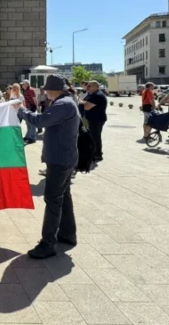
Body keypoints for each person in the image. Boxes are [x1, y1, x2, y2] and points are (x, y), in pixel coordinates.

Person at [14, 75, 80, 259]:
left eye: (46, 89)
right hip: (63, 158)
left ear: (52, 90)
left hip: (60, 160)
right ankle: (67, 235)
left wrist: (21, 109)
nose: (44, 92)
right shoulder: (65, 102)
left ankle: (48, 244)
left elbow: (40, 121)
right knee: (63, 198)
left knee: (53, 201)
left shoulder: (63, 104)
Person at [80, 81, 107, 162]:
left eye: (89, 86)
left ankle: (98, 155)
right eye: (87, 86)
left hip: (96, 119)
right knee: (93, 137)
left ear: (96, 86)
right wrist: (84, 102)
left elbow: (86, 107)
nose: (87, 88)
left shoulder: (97, 95)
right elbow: (84, 101)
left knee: (95, 138)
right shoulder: (92, 94)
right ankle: (94, 153)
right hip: (92, 119)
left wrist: (82, 102)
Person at [21, 80, 38, 144]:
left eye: (23, 84)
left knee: (32, 124)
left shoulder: (31, 90)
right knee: (28, 123)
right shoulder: (24, 91)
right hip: (26, 108)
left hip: (31, 108)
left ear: (27, 84)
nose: (22, 85)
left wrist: (37, 108)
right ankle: (28, 136)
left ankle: (32, 138)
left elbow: (35, 99)